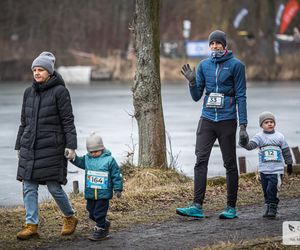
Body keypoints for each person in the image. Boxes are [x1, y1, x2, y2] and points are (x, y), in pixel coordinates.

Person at [176, 30, 248, 219]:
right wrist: (192, 82)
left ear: (224, 45)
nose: (215, 46)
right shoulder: (203, 65)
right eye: (212, 43)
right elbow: (196, 97)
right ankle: (197, 206)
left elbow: (241, 96)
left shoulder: (236, 66)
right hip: (207, 119)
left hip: (227, 120)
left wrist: (243, 125)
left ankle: (231, 207)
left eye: (218, 43)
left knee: (230, 164)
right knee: (200, 161)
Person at [15, 51, 78, 240]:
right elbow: (23, 122)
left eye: (40, 69)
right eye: (34, 69)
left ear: (49, 72)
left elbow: (68, 120)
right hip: (30, 147)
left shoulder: (60, 91)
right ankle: (31, 225)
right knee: (28, 186)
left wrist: (71, 146)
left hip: (52, 148)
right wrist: (19, 144)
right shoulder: (28, 92)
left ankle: (70, 217)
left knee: (54, 188)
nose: (36, 73)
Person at [66, 132, 123, 241]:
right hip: (91, 193)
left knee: (99, 213)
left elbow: (116, 175)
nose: (93, 154)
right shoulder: (87, 159)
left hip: (103, 194)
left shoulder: (109, 160)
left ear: (101, 148)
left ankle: (101, 230)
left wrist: (118, 189)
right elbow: (79, 162)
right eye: (91, 152)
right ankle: (104, 224)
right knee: (91, 213)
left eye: (96, 151)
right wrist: (72, 157)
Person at [241, 111, 293, 218]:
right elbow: (250, 146)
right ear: (261, 125)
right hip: (264, 170)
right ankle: (268, 207)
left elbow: (286, 151)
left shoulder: (280, 137)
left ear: (274, 123)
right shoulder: (259, 137)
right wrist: (244, 142)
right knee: (266, 190)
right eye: (266, 122)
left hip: (276, 171)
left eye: (271, 122)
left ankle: (273, 208)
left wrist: (289, 163)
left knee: (272, 189)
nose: (269, 124)